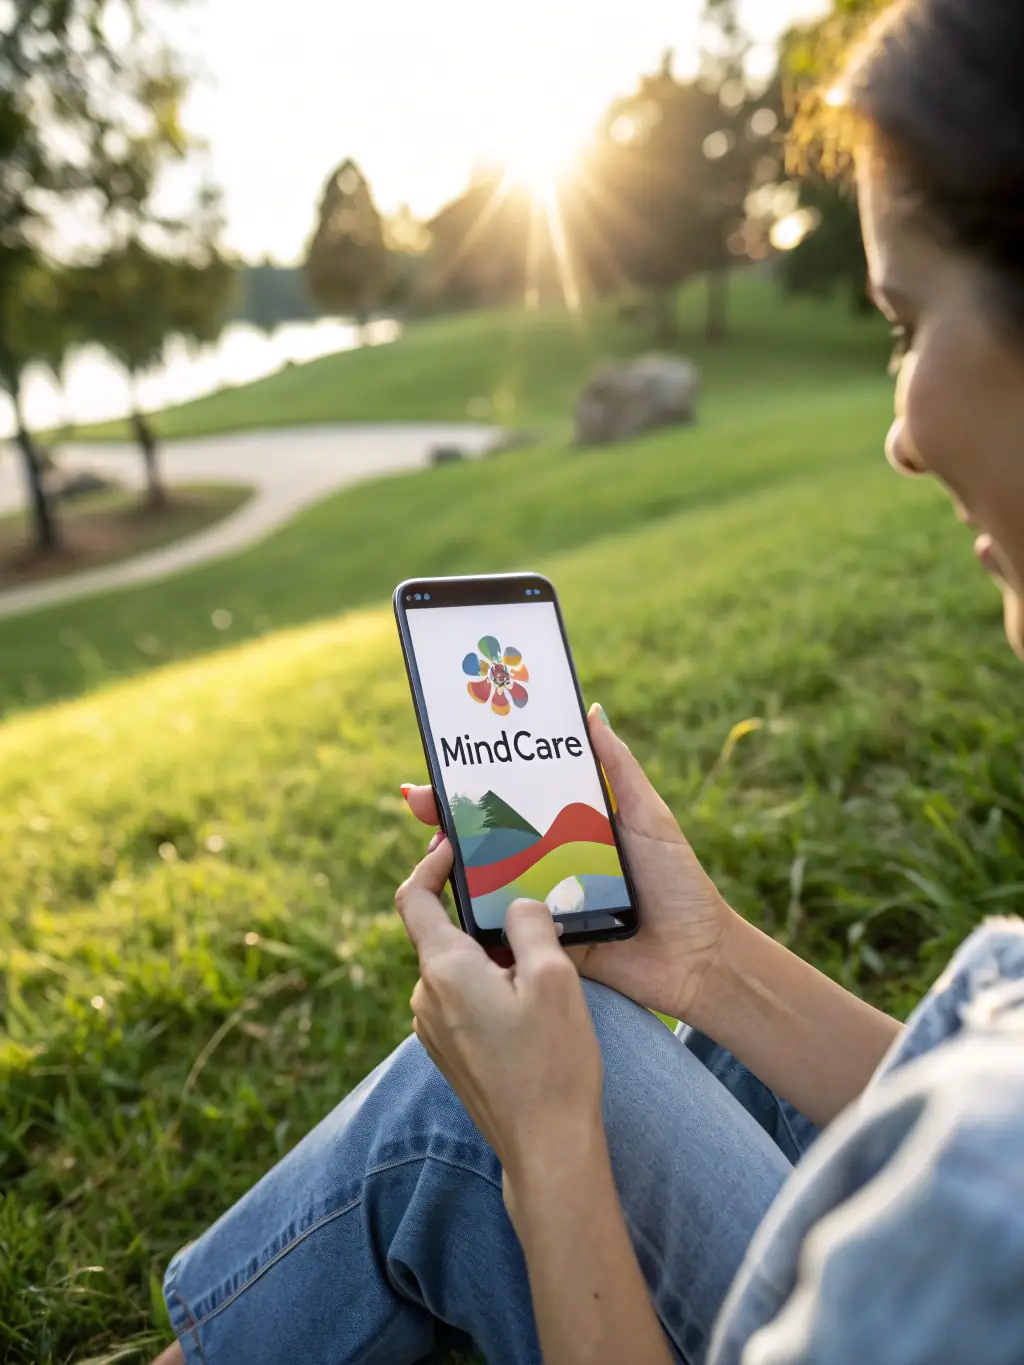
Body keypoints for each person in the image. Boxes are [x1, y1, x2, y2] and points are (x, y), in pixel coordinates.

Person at [153, 1, 1024, 1361]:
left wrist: (544, 1145)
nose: (902, 432)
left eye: (905, 324)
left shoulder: (977, 1215)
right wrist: (709, 957)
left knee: (481, 1106)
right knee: (670, 1024)